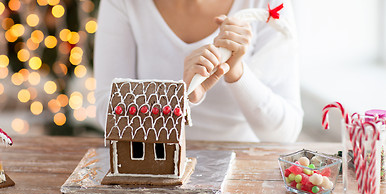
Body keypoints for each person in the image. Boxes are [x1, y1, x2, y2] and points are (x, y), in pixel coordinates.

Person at [94, 0, 303, 142]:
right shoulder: (124, 3)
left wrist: (236, 72)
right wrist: (179, 98)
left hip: (244, 174)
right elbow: (108, 113)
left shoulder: (268, 5)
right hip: (156, 169)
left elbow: (285, 133)